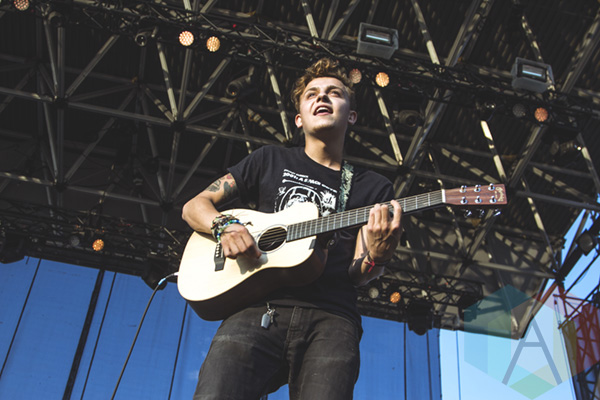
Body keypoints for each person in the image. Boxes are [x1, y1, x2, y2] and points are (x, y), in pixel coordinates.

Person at [182, 57, 402, 400]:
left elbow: (358, 273)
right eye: (312, 94)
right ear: (299, 118)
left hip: (332, 319)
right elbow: (194, 206)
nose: (322, 97)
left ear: (351, 116)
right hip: (256, 306)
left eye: (334, 93)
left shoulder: (372, 187)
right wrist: (225, 226)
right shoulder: (269, 159)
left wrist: (378, 256)